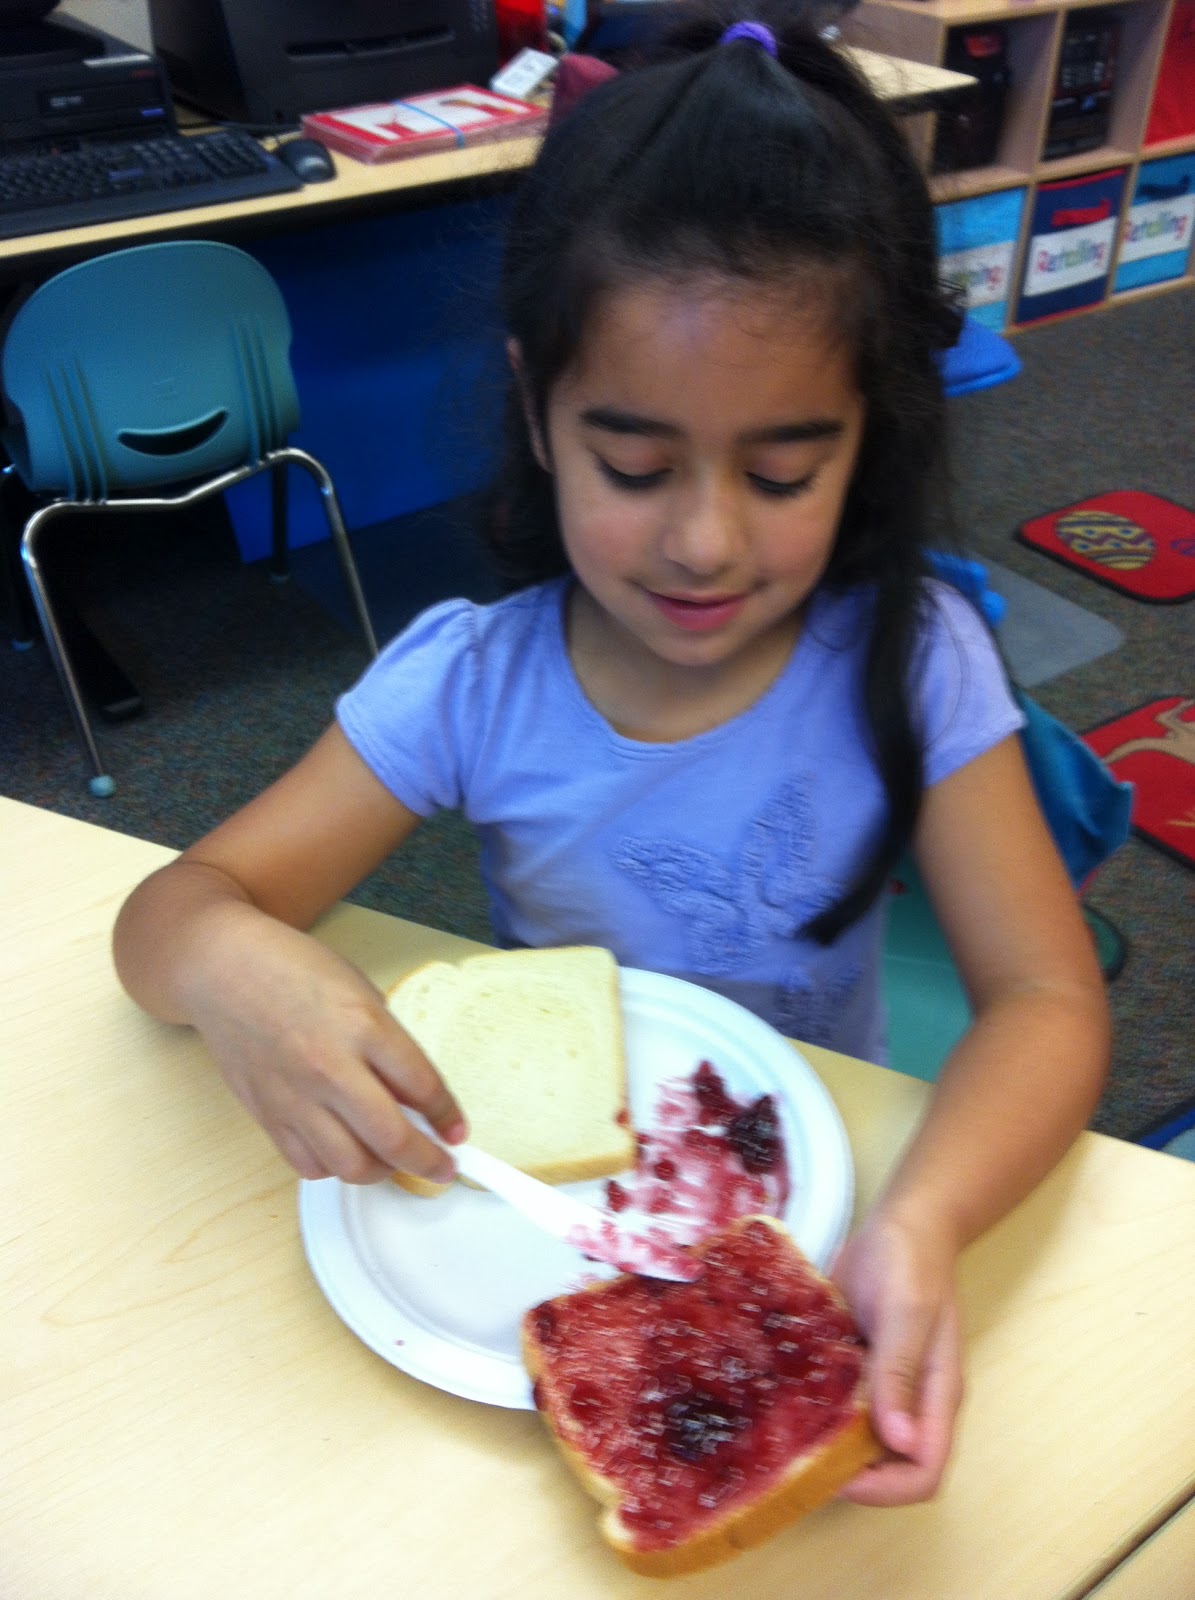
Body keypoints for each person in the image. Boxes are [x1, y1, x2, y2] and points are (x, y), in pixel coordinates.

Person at [113, 5, 1110, 1511]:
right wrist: (233, 969)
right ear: (537, 405)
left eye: (785, 471)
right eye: (634, 466)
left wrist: (919, 1225)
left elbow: (1046, 998)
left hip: (826, 1175)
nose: (703, 541)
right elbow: (168, 918)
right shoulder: (471, 681)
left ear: (866, 434)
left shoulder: (917, 661)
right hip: (534, 1221)